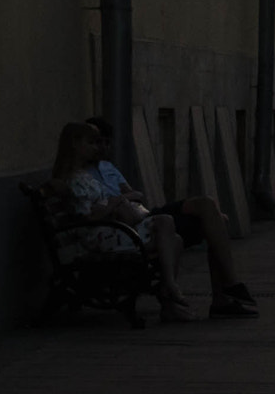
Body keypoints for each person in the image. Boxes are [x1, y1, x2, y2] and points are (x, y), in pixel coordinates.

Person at [85, 116, 257, 317]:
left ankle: (227, 288)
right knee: (218, 221)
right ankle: (226, 292)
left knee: (207, 206)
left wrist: (120, 198)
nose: (103, 147)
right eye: (97, 142)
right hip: (132, 226)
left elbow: (136, 194)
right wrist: (119, 201)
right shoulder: (81, 174)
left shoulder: (108, 168)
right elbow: (96, 208)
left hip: (143, 215)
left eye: (106, 142)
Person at [50, 122, 194, 322]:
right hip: (97, 238)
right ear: (75, 144)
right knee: (165, 222)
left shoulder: (83, 176)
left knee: (174, 239)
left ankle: (168, 300)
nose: (96, 147)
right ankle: (169, 289)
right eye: (91, 142)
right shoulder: (73, 180)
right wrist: (115, 203)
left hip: (110, 232)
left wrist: (114, 204)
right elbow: (88, 217)